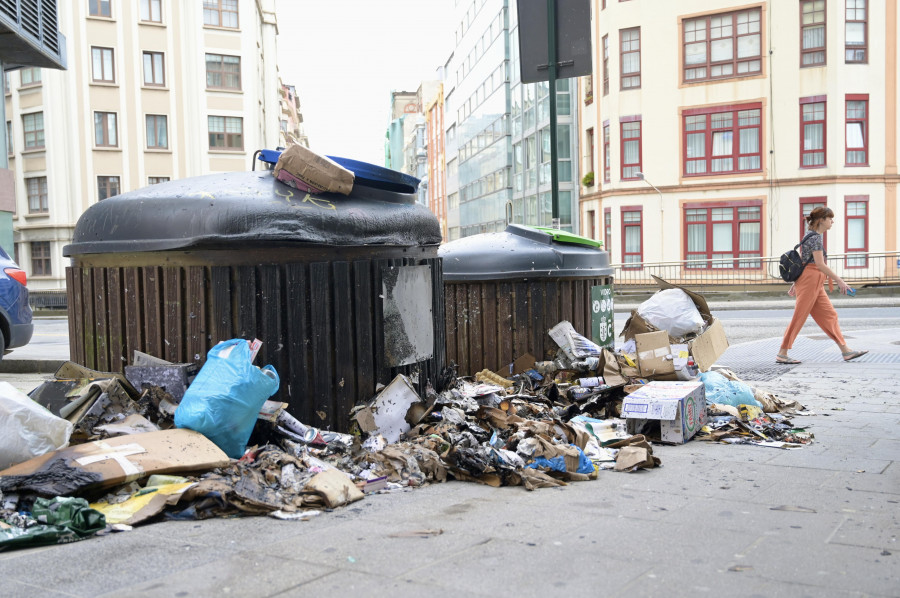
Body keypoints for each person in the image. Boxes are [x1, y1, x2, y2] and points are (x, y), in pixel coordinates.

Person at [776, 206, 868, 364]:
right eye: (830, 218)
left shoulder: (810, 235)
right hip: (811, 280)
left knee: (830, 315)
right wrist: (840, 280)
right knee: (799, 317)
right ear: (821, 220)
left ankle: (846, 351)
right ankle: (782, 353)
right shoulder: (815, 238)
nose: (832, 221)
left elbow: (804, 261)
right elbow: (819, 264)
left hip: (811, 281)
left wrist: (796, 283)